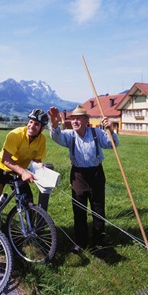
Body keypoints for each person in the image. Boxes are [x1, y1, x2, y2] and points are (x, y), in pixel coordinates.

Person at [48, 105, 119, 255]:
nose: (75, 121)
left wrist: (110, 130)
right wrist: (54, 125)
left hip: (96, 174)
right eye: (73, 118)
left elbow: (112, 144)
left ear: (86, 120)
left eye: (78, 118)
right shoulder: (69, 135)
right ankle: (80, 241)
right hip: (78, 175)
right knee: (79, 208)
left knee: (98, 208)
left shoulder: (96, 132)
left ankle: (99, 240)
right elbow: (56, 137)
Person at [0, 109, 49, 221]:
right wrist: (24, 172)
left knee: (28, 199)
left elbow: (36, 161)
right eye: (31, 122)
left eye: (36, 124)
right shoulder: (16, 134)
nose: (32, 126)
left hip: (19, 170)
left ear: (42, 128)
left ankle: (30, 228)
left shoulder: (42, 140)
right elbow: (5, 159)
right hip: (2, 166)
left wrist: (40, 167)